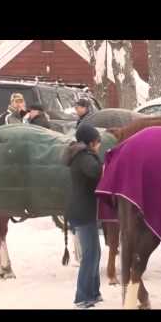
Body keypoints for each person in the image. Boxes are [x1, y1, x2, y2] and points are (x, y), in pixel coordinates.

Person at [62, 124, 102, 308]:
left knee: (95, 253)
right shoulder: (84, 157)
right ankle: (83, 296)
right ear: (92, 142)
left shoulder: (82, 155)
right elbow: (96, 172)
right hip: (83, 210)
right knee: (90, 255)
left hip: (82, 209)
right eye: (98, 142)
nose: (99, 146)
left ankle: (93, 292)